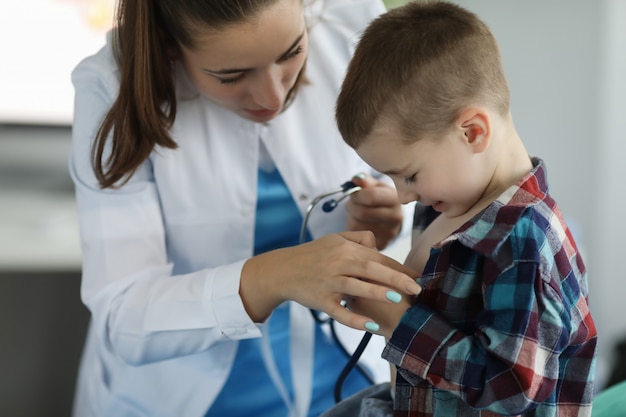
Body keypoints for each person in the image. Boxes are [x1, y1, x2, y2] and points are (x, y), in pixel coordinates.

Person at [68, 0, 424, 416]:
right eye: (232, 75)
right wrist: (269, 279)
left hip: (340, 378)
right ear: (169, 46)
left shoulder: (351, 20)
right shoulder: (110, 85)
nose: (274, 96)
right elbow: (124, 317)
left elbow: (389, 164)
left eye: (292, 51)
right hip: (185, 393)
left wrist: (382, 212)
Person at [333, 1, 598, 416]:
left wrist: (399, 322)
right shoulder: (446, 204)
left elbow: (511, 388)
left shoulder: (522, 238)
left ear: (472, 132)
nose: (402, 196)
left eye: (410, 175)